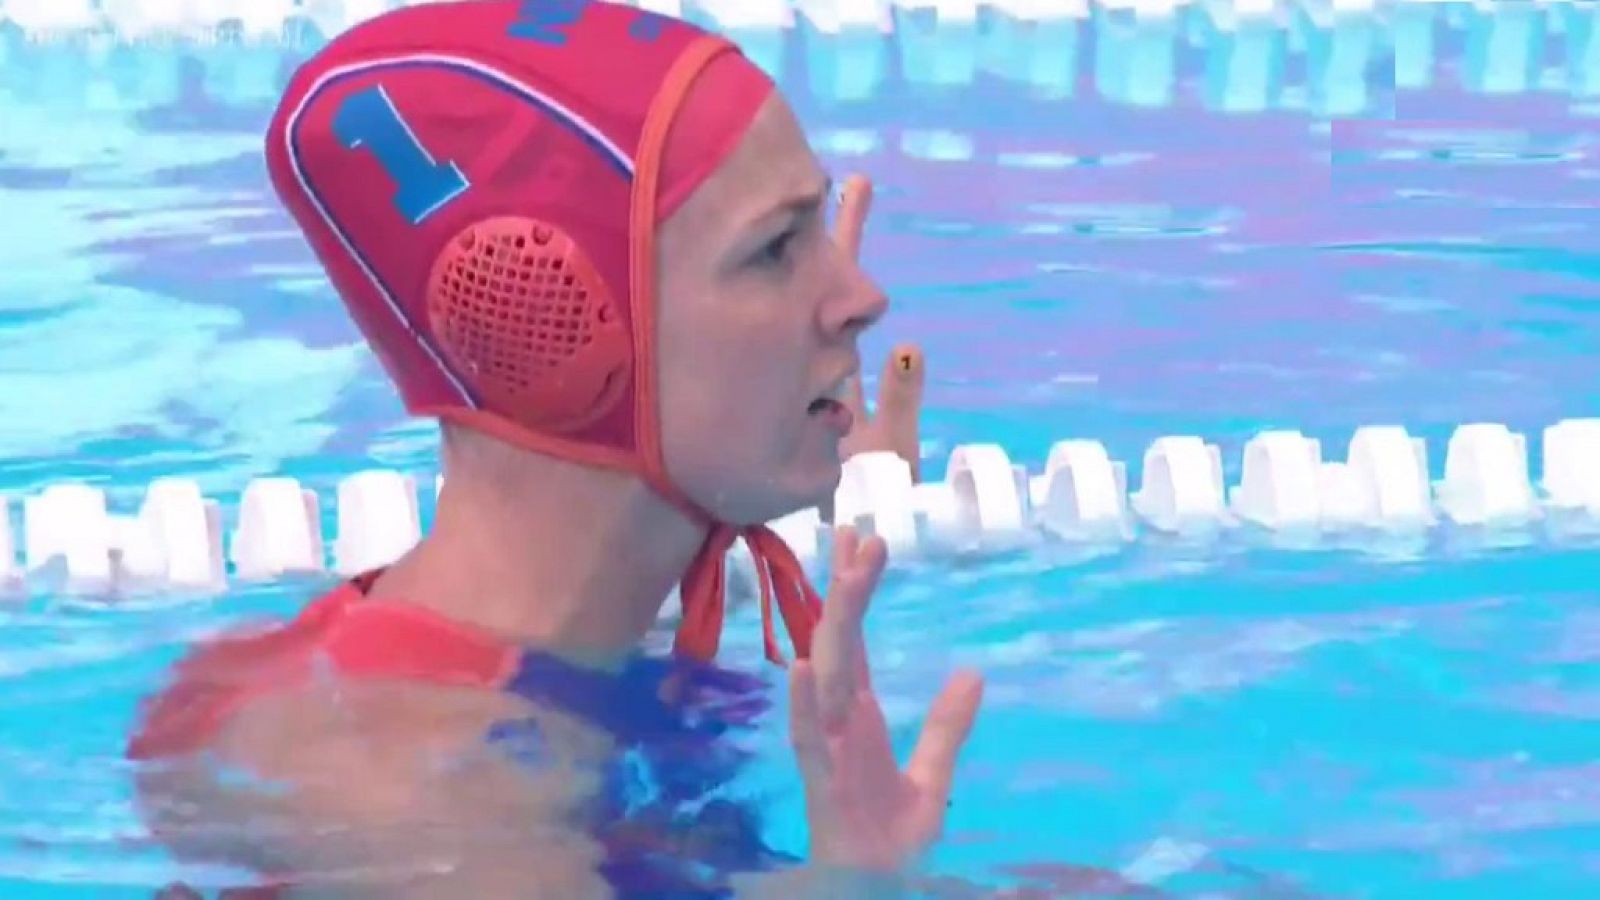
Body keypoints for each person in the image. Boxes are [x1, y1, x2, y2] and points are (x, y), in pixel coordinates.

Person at [128, 1, 980, 897]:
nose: (861, 296)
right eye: (776, 249)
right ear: (557, 332)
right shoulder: (417, 797)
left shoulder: (570, 661)